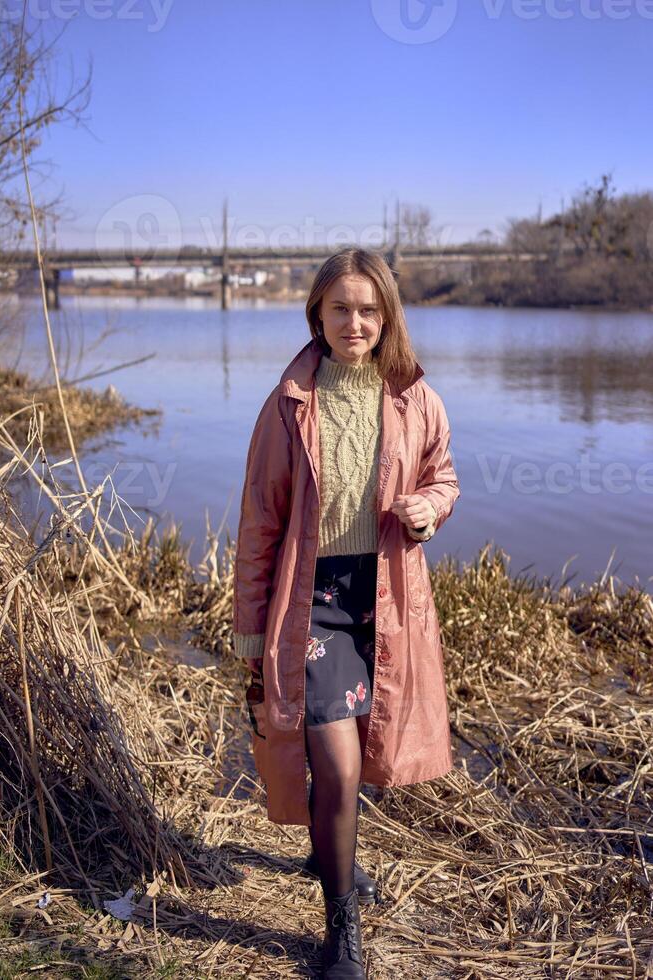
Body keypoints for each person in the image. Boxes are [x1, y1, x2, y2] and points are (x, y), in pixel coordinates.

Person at [233, 246, 460, 978]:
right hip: (315, 603)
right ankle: (342, 931)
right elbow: (259, 520)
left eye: (369, 309)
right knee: (335, 763)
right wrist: (248, 620)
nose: (355, 322)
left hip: (388, 600)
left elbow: (443, 477)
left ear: (387, 315)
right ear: (318, 313)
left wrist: (425, 508)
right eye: (341, 308)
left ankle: (329, 853)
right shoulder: (290, 402)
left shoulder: (415, 395)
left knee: (359, 758)